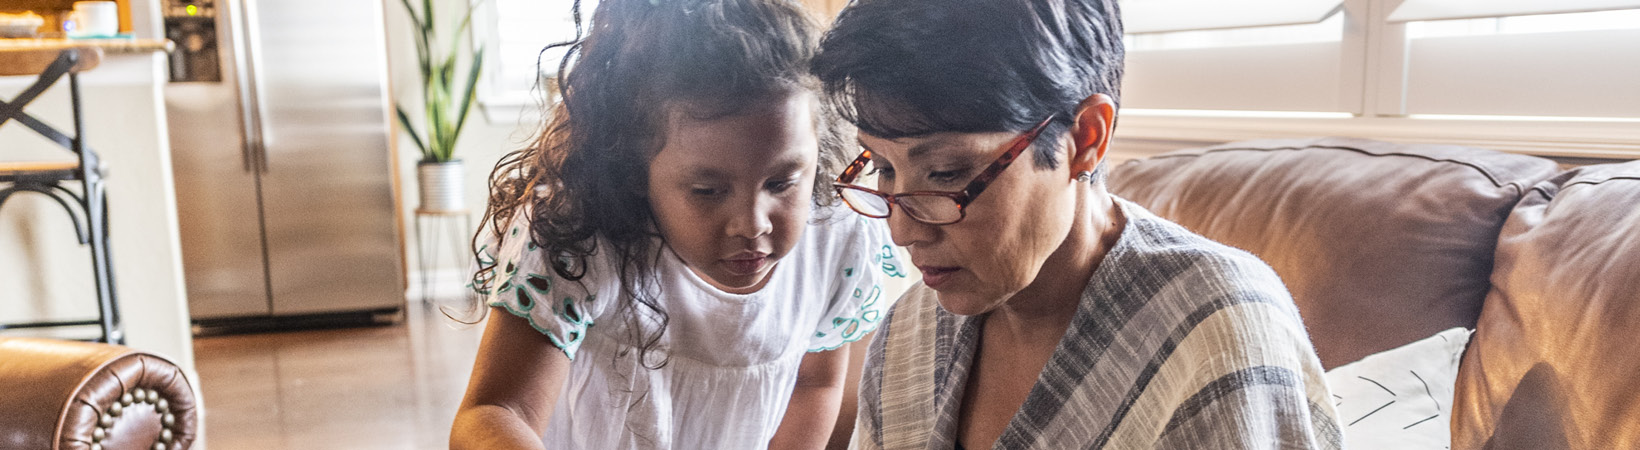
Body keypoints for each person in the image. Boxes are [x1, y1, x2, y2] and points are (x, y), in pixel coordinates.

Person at [811, 0, 1343, 448]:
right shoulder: (911, 331)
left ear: (1086, 138)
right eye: (882, 167)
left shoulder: (1216, 331)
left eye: (946, 172)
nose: (903, 232)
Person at [449, 0, 901, 448]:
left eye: (782, 182)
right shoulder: (577, 236)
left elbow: (814, 387)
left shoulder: (837, 235)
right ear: (633, 168)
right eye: (708, 191)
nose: (751, 224)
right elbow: (495, 412)